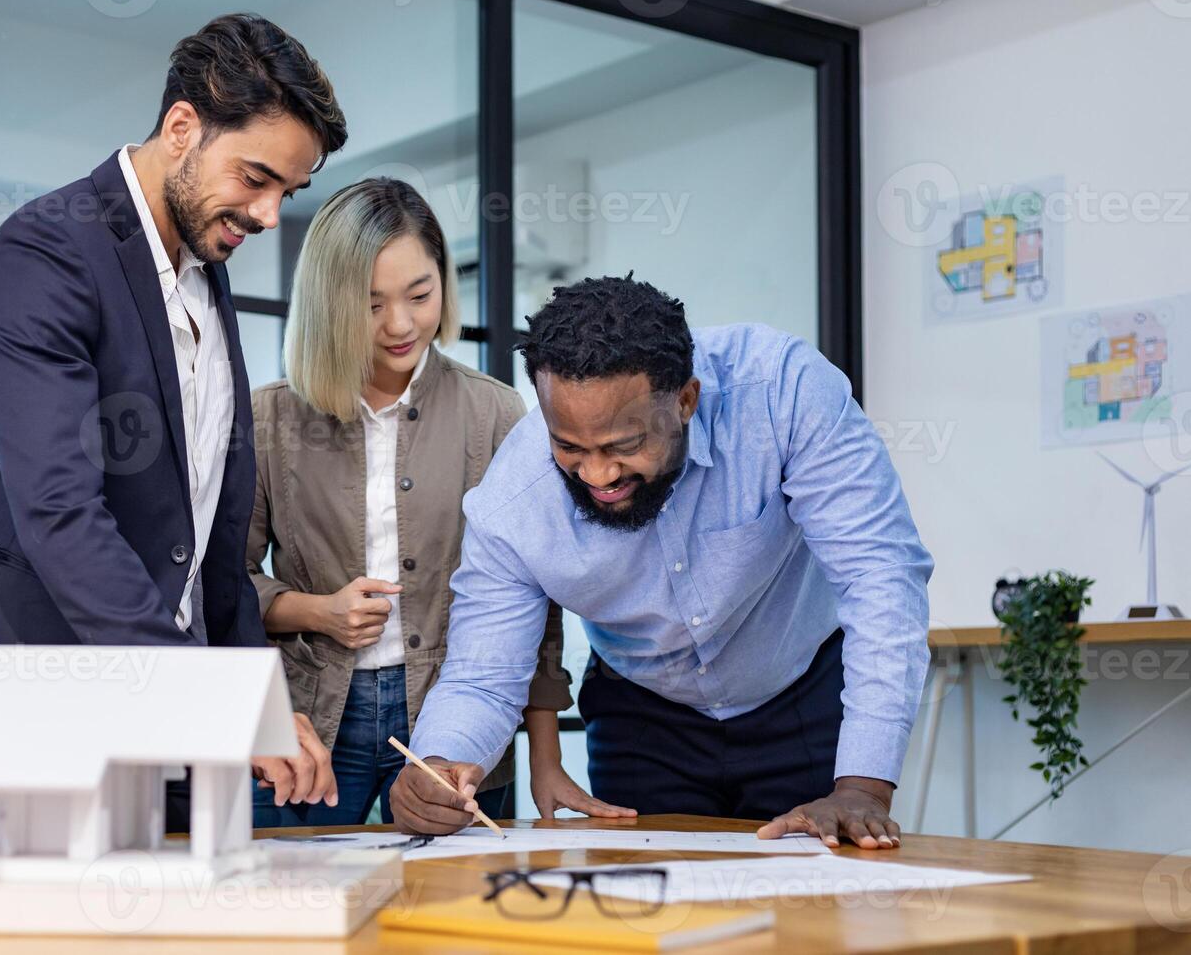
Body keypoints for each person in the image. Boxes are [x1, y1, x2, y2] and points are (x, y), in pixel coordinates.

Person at [0, 14, 348, 817]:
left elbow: (208, 543)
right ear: (182, 127)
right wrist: (216, 707)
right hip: (28, 696)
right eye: (256, 178)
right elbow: (60, 513)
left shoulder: (205, 267)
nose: (268, 216)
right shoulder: (46, 253)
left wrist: (253, 704)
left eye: (287, 194)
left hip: (158, 713)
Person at [392, 274, 934, 849]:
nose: (597, 475)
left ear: (686, 400)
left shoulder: (781, 392)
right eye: (569, 447)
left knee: (815, 915)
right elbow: (484, 676)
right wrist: (437, 765)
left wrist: (864, 788)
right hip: (642, 719)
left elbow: (879, 575)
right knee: (652, 919)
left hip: (801, 693)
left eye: (624, 446)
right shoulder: (512, 502)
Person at [245, 179, 633, 825]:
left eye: (420, 295)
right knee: (294, 905)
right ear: (327, 304)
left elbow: (535, 601)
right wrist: (316, 610)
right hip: (312, 719)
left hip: (458, 717)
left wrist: (543, 757)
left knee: (451, 913)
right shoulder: (270, 418)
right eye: (370, 304)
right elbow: (226, 584)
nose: (400, 325)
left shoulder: (497, 413)